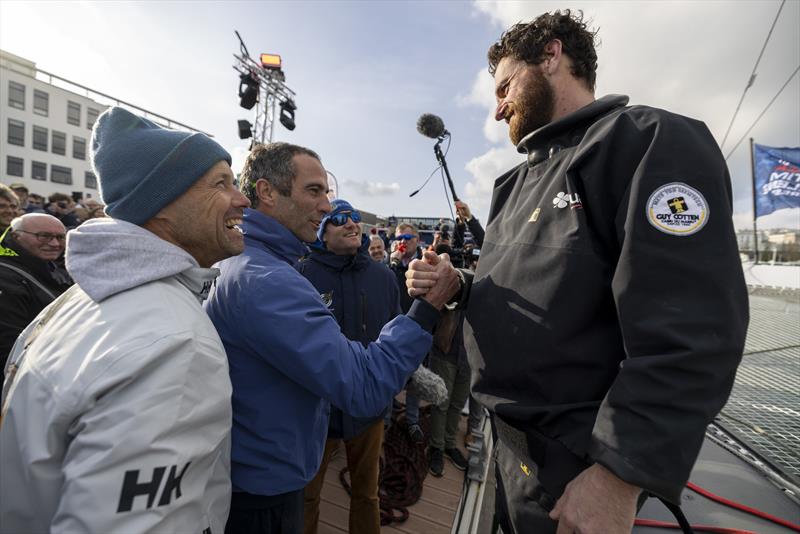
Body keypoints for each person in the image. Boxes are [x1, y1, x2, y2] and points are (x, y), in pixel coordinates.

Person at [407, 10, 748, 534]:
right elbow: (542, 289)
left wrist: (617, 476)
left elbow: (694, 332)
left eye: (503, 88)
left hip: (576, 474)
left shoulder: (647, 144)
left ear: (551, 55)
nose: (497, 110)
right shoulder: (512, 185)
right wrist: (459, 288)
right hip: (506, 452)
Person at [0, 107, 248, 533]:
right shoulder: (173, 343)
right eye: (221, 183)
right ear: (163, 204)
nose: (242, 199)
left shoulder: (81, 298)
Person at [203, 142, 459, 534]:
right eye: (314, 191)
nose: (326, 204)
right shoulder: (269, 281)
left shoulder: (252, 264)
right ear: (267, 192)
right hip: (268, 484)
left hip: (261, 460)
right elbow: (361, 382)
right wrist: (426, 309)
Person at [299, 199, 399, 534]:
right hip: (317, 411)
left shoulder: (384, 278)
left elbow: (396, 335)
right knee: (306, 496)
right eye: (340, 218)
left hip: (369, 410)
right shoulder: (301, 275)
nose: (351, 223)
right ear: (322, 232)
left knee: (367, 495)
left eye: (355, 218)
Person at [0, 214, 72, 365]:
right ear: (16, 236)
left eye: (60, 237)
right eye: (44, 236)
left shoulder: (55, 265)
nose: (54, 243)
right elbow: (9, 346)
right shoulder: (5, 276)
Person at [388, 222, 426, 442]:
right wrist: (391, 262)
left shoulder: (424, 264)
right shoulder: (390, 264)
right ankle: (384, 419)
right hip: (393, 329)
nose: (403, 242)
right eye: (399, 238)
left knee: (417, 379)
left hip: (418, 329)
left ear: (418, 240)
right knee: (388, 372)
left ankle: (412, 420)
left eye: (408, 238)